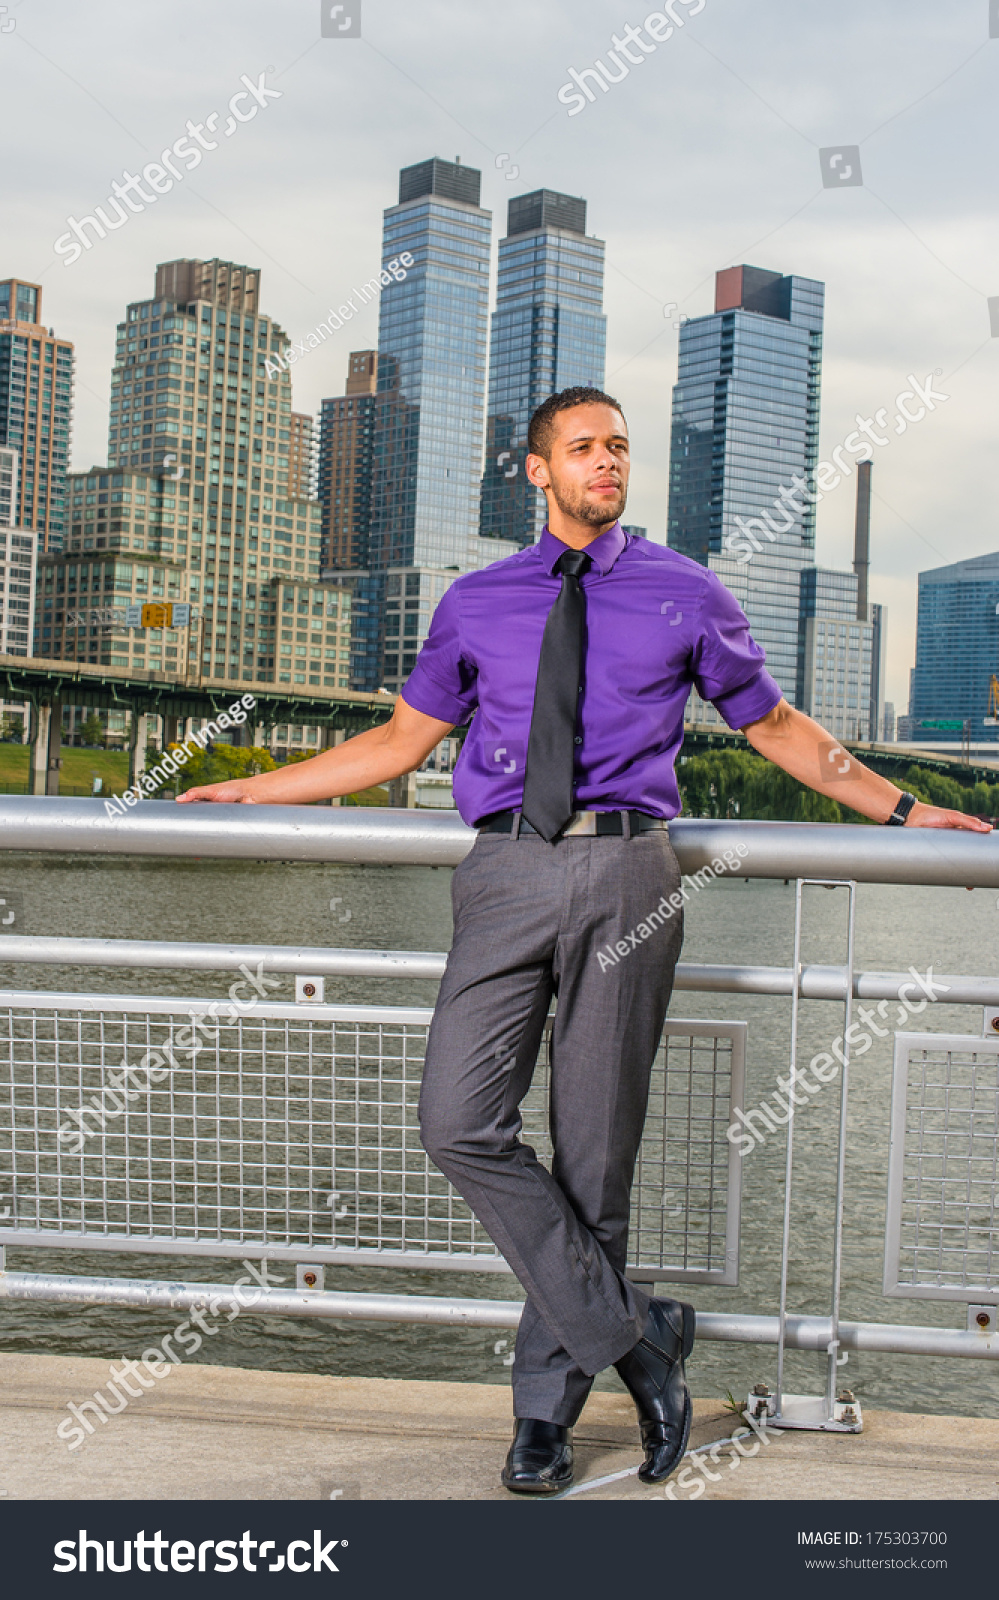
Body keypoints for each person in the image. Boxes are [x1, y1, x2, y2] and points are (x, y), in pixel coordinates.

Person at [179, 386, 988, 1496]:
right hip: (505, 869)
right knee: (457, 1119)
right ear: (536, 470)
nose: (608, 464)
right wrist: (255, 793)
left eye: (618, 447)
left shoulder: (684, 592)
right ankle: (643, 1339)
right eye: (584, 449)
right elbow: (398, 742)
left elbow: (781, 728)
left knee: (595, 1158)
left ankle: (542, 1419)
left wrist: (904, 811)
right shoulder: (475, 601)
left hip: (626, 873)